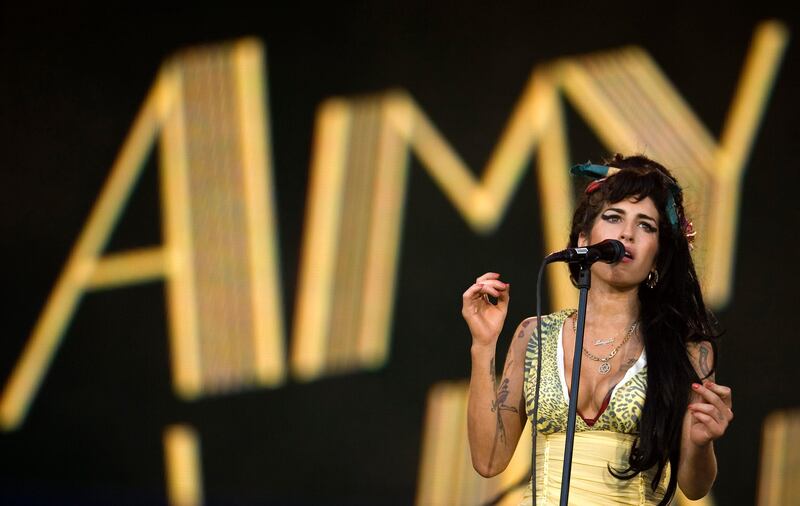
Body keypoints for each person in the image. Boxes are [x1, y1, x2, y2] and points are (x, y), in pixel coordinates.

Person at [462, 154, 733, 505]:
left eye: (645, 225)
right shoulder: (533, 335)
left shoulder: (686, 349)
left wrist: (701, 443)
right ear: (584, 238)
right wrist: (483, 345)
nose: (626, 233)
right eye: (613, 217)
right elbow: (488, 460)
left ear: (658, 255)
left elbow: (695, 488)